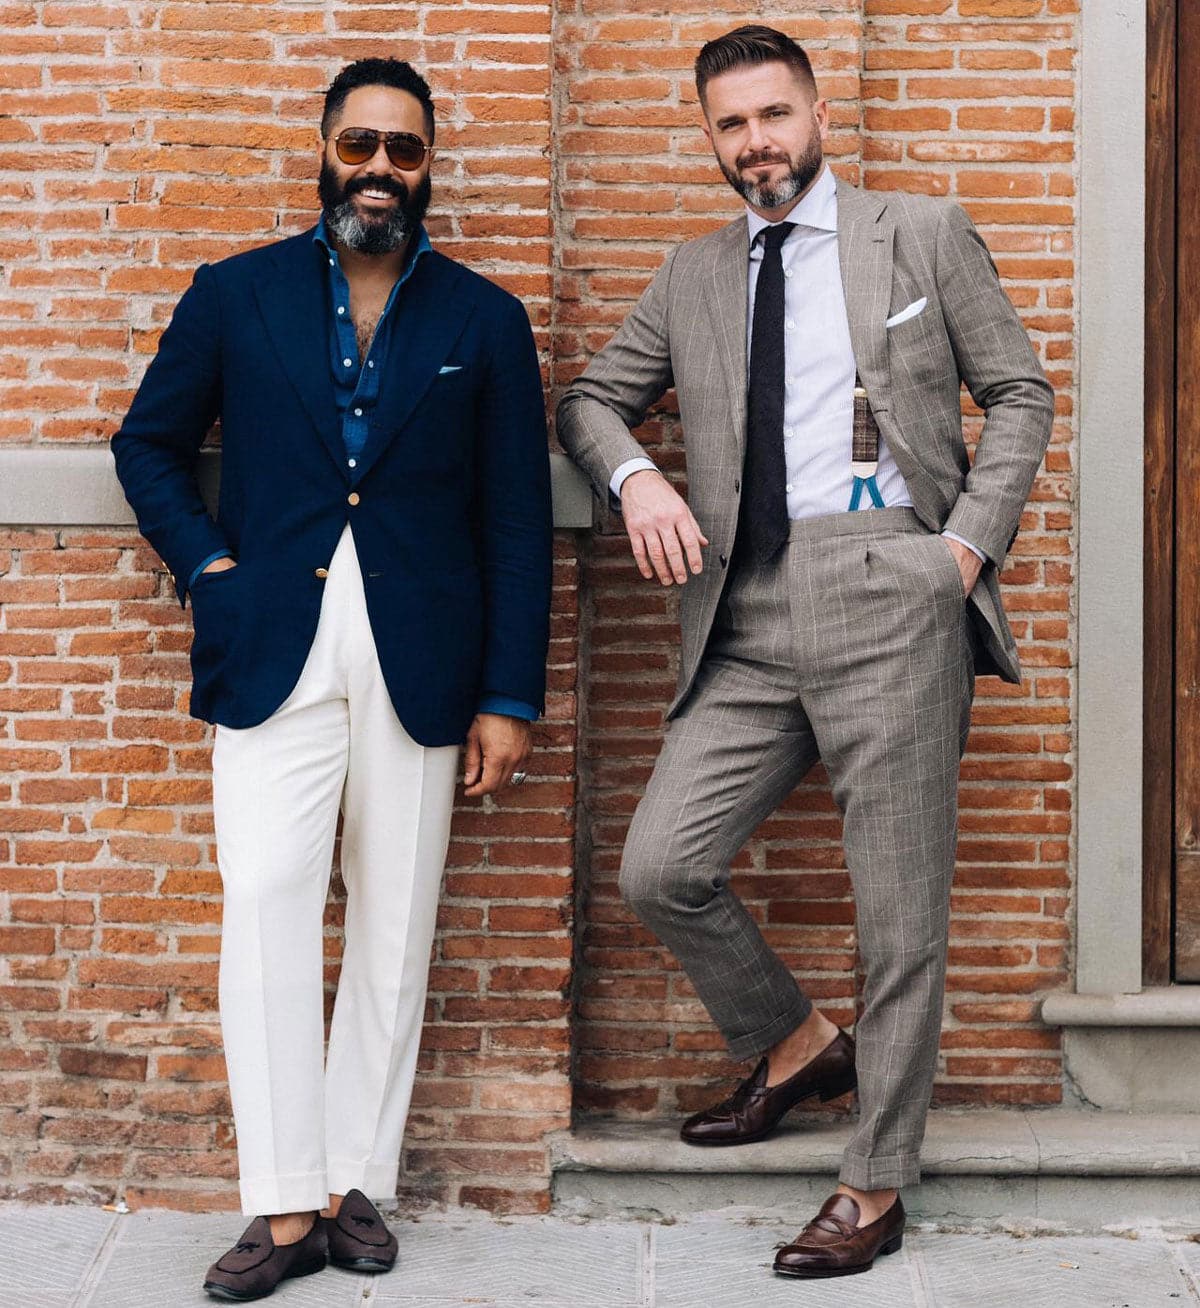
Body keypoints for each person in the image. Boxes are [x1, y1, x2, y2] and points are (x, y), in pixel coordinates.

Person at [557, 24, 1053, 1281]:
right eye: (730, 125)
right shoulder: (693, 276)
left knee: (899, 917)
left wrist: (963, 554)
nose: (756, 143)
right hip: (746, 610)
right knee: (661, 866)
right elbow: (588, 398)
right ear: (710, 137)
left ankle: (874, 1181)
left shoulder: (918, 233)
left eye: (774, 116)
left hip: (893, 585)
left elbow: (1022, 391)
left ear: (817, 113)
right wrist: (636, 484)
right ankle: (794, 1043)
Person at [111, 57, 552, 1302]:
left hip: (424, 653)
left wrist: (508, 696)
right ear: (324, 148)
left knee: (396, 924)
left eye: (404, 151)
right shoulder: (235, 296)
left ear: (428, 169)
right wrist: (210, 567)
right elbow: (146, 446)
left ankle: (357, 1182)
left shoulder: (485, 319)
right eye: (360, 143)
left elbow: (517, 522)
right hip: (272, 641)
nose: (379, 169)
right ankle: (282, 1200)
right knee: (265, 903)